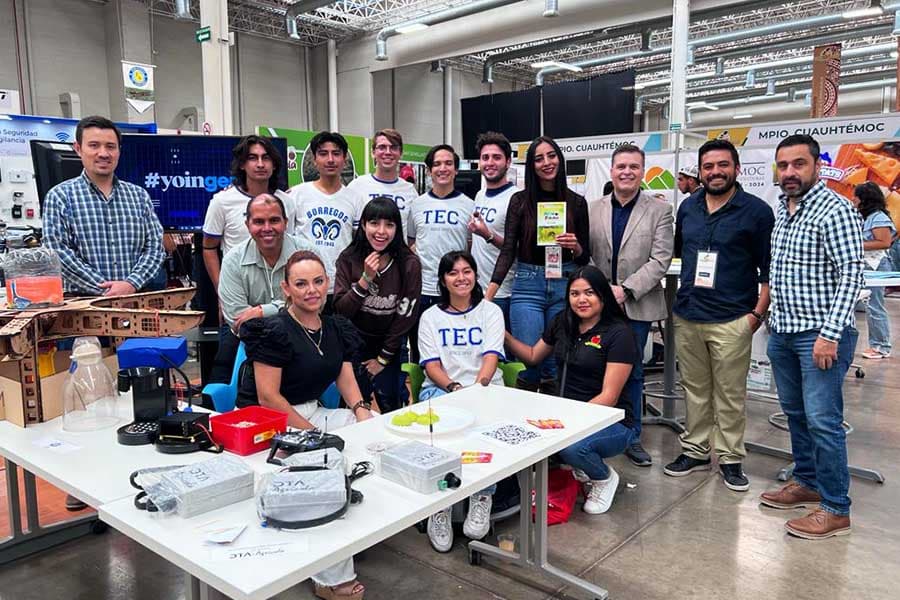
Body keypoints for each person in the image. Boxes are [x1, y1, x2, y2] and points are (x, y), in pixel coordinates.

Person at [239, 250, 373, 600]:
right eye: (301, 284)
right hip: (271, 424)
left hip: (314, 413)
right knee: (322, 472)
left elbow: (345, 376)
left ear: (328, 283)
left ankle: (357, 531)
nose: (311, 290)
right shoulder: (273, 331)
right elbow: (268, 397)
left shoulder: (334, 326)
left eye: (317, 281)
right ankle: (331, 578)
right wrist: (314, 437)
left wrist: (361, 413)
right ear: (286, 288)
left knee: (375, 440)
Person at [760, 134, 863, 540]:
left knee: (824, 421)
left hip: (819, 336)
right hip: (784, 331)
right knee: (797, 414)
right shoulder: (783, 210)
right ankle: (808, 481)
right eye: (783, 165)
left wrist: (829, 334)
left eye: (798, 164)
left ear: (816, 167)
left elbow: (850, 275)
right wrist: (772, 316)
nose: (789, 173)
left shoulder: (834, 209)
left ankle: (836, 508)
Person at [664, 140, 774, 491]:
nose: (715, 172)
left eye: (722, 165)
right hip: (689, 314)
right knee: (694, 390)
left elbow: (768, 270)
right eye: (708, 166)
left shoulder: (756, 212)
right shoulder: (688, 208)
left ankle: (730, 458)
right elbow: (682, 252)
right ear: (700, 171)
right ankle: (695, 451)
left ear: (736, 169)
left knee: (729, 394)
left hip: (732, 318)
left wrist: (756, 315)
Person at [505, 265, 635, 514]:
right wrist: (503, 336)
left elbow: (609, 397)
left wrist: (567, 426)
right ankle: (578, 465)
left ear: (602, 295)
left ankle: (603, 477)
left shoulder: (619, 334)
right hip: (567, 416)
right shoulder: (562, 322)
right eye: (575, 294)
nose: (581, 300)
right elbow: (533, 356)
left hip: (614, 422)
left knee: (570, 447)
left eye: (589, 293)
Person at [588, 143, 673, 468]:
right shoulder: (593, 208)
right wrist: (599, 291)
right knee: (597, 372)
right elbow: (588, 254)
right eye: (621, 166)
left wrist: (623, 291)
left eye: (633, 167)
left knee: (633, 373)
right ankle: (600, 430)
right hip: (597, 307)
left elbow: (660, 259)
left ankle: (632, 435)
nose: (626, 172)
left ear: (642, 171)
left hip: (635, 305)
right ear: (611, 171)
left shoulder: (659, 211)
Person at [417, 251, 506, 552]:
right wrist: (456, 390)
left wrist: (476, 391)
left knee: (485, 431)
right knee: (442, 437)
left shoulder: (490, 312)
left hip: (485, 389)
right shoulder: (430, 317)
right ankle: (439, 505)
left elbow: (491, 358)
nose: (461, 278)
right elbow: (432, 367)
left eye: (467, 271)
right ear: (443, 280)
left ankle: (482, 495)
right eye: (453, 273)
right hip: (443, 391)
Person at [487, 136, 590, 393]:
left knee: (556, 364)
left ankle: (556, 426)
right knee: (527, 364)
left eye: (551, 155)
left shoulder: (577, 203)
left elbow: (584, 256)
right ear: (531, 165)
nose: (546, 162)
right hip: (527, 286)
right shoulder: (520, 201)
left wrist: (574, 246)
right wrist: (487, 298)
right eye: (539, 158)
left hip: (565, 285)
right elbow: (508, 250)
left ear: (560, 159)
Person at [43, 115, 164, 296]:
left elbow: (155, 247)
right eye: (94, 145)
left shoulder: (139, 196)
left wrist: (131, 283)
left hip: (135, 300)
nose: (103, 153)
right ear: (78, 149)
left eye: (110, 146)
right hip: (82, 305)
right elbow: (57, 252)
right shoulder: (60, 197)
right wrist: (107, 289)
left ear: (119, 151)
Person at [334, 197, 422, 412]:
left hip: (389, 345)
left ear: (397, 229)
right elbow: (341, 311)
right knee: (353, 406)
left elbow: (405, 317)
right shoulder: (348, 258)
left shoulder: (409, 264)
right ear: (363, 225)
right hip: (354, 343)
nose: (381, 231)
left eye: (389, 225)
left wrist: (382, 359)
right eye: (374, 223)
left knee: (390, 404)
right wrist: (365, 279)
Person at [213, 194, 312, 383]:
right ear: (247, 224)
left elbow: (315, 305)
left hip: (301, 337)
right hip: (246, 342)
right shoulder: (232, 260)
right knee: (215, 391)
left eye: (274, 220)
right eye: (259, 221)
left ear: (285, 222)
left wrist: (261, 311)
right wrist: (288, 309)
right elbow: (237, 319)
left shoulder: (307, 254)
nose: (267, 228)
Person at [407, 144, 473, 361]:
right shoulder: (417, 205)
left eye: (448, 163)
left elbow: (471, 248)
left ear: (456, 170)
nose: (442, 168)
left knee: (455, 352)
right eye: (436, 164)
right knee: (422, 352)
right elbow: (413, 242)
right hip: (423, 290)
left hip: (456, 291)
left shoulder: (469, 205)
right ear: (428, 170)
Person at [202, 135, 294, 290]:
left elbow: (289, 246)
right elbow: (209, 248)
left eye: (265, 158)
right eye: (252, 158)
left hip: (280, 290)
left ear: (274, 165)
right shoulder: (222, 201)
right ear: (242, 164)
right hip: (238, 288)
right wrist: (222, 291)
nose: (260, 164)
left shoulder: (286, 201)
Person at [289, 131, 365, 313]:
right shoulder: (297, 194)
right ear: (314, 159)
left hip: (339, 286)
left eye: (336, 153)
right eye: (323, 154)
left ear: (344, 159)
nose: (330, 159)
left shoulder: (355, 198)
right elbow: (288, 239)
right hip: (303, 287)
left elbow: (358, 244)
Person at [469, 131, 517, 327]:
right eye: (485, 157)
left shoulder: (516, 198)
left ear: (508, 162)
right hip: (477, 288)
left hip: (503, 292)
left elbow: (518, 249)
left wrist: (487, 234)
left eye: (496, 157)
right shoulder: (480, 195)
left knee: (505, 355)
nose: (490, 162)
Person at [347, 128, 418, 236]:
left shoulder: (410, 191)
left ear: (401, 153)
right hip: (364, 253)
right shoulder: (356, 186)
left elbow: (412, 235)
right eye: (382, 147)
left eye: (393, 147)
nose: (388, 152)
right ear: (373, 153)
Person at [851, 182, 894, 359]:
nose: (853, 199)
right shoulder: (864, 217)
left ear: (864, 199)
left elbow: (884, 242)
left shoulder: (878, 217)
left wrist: (855, 245)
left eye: (856, 196)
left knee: (875, 306)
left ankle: (881, 345)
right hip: (865, 265)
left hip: (877, 267)